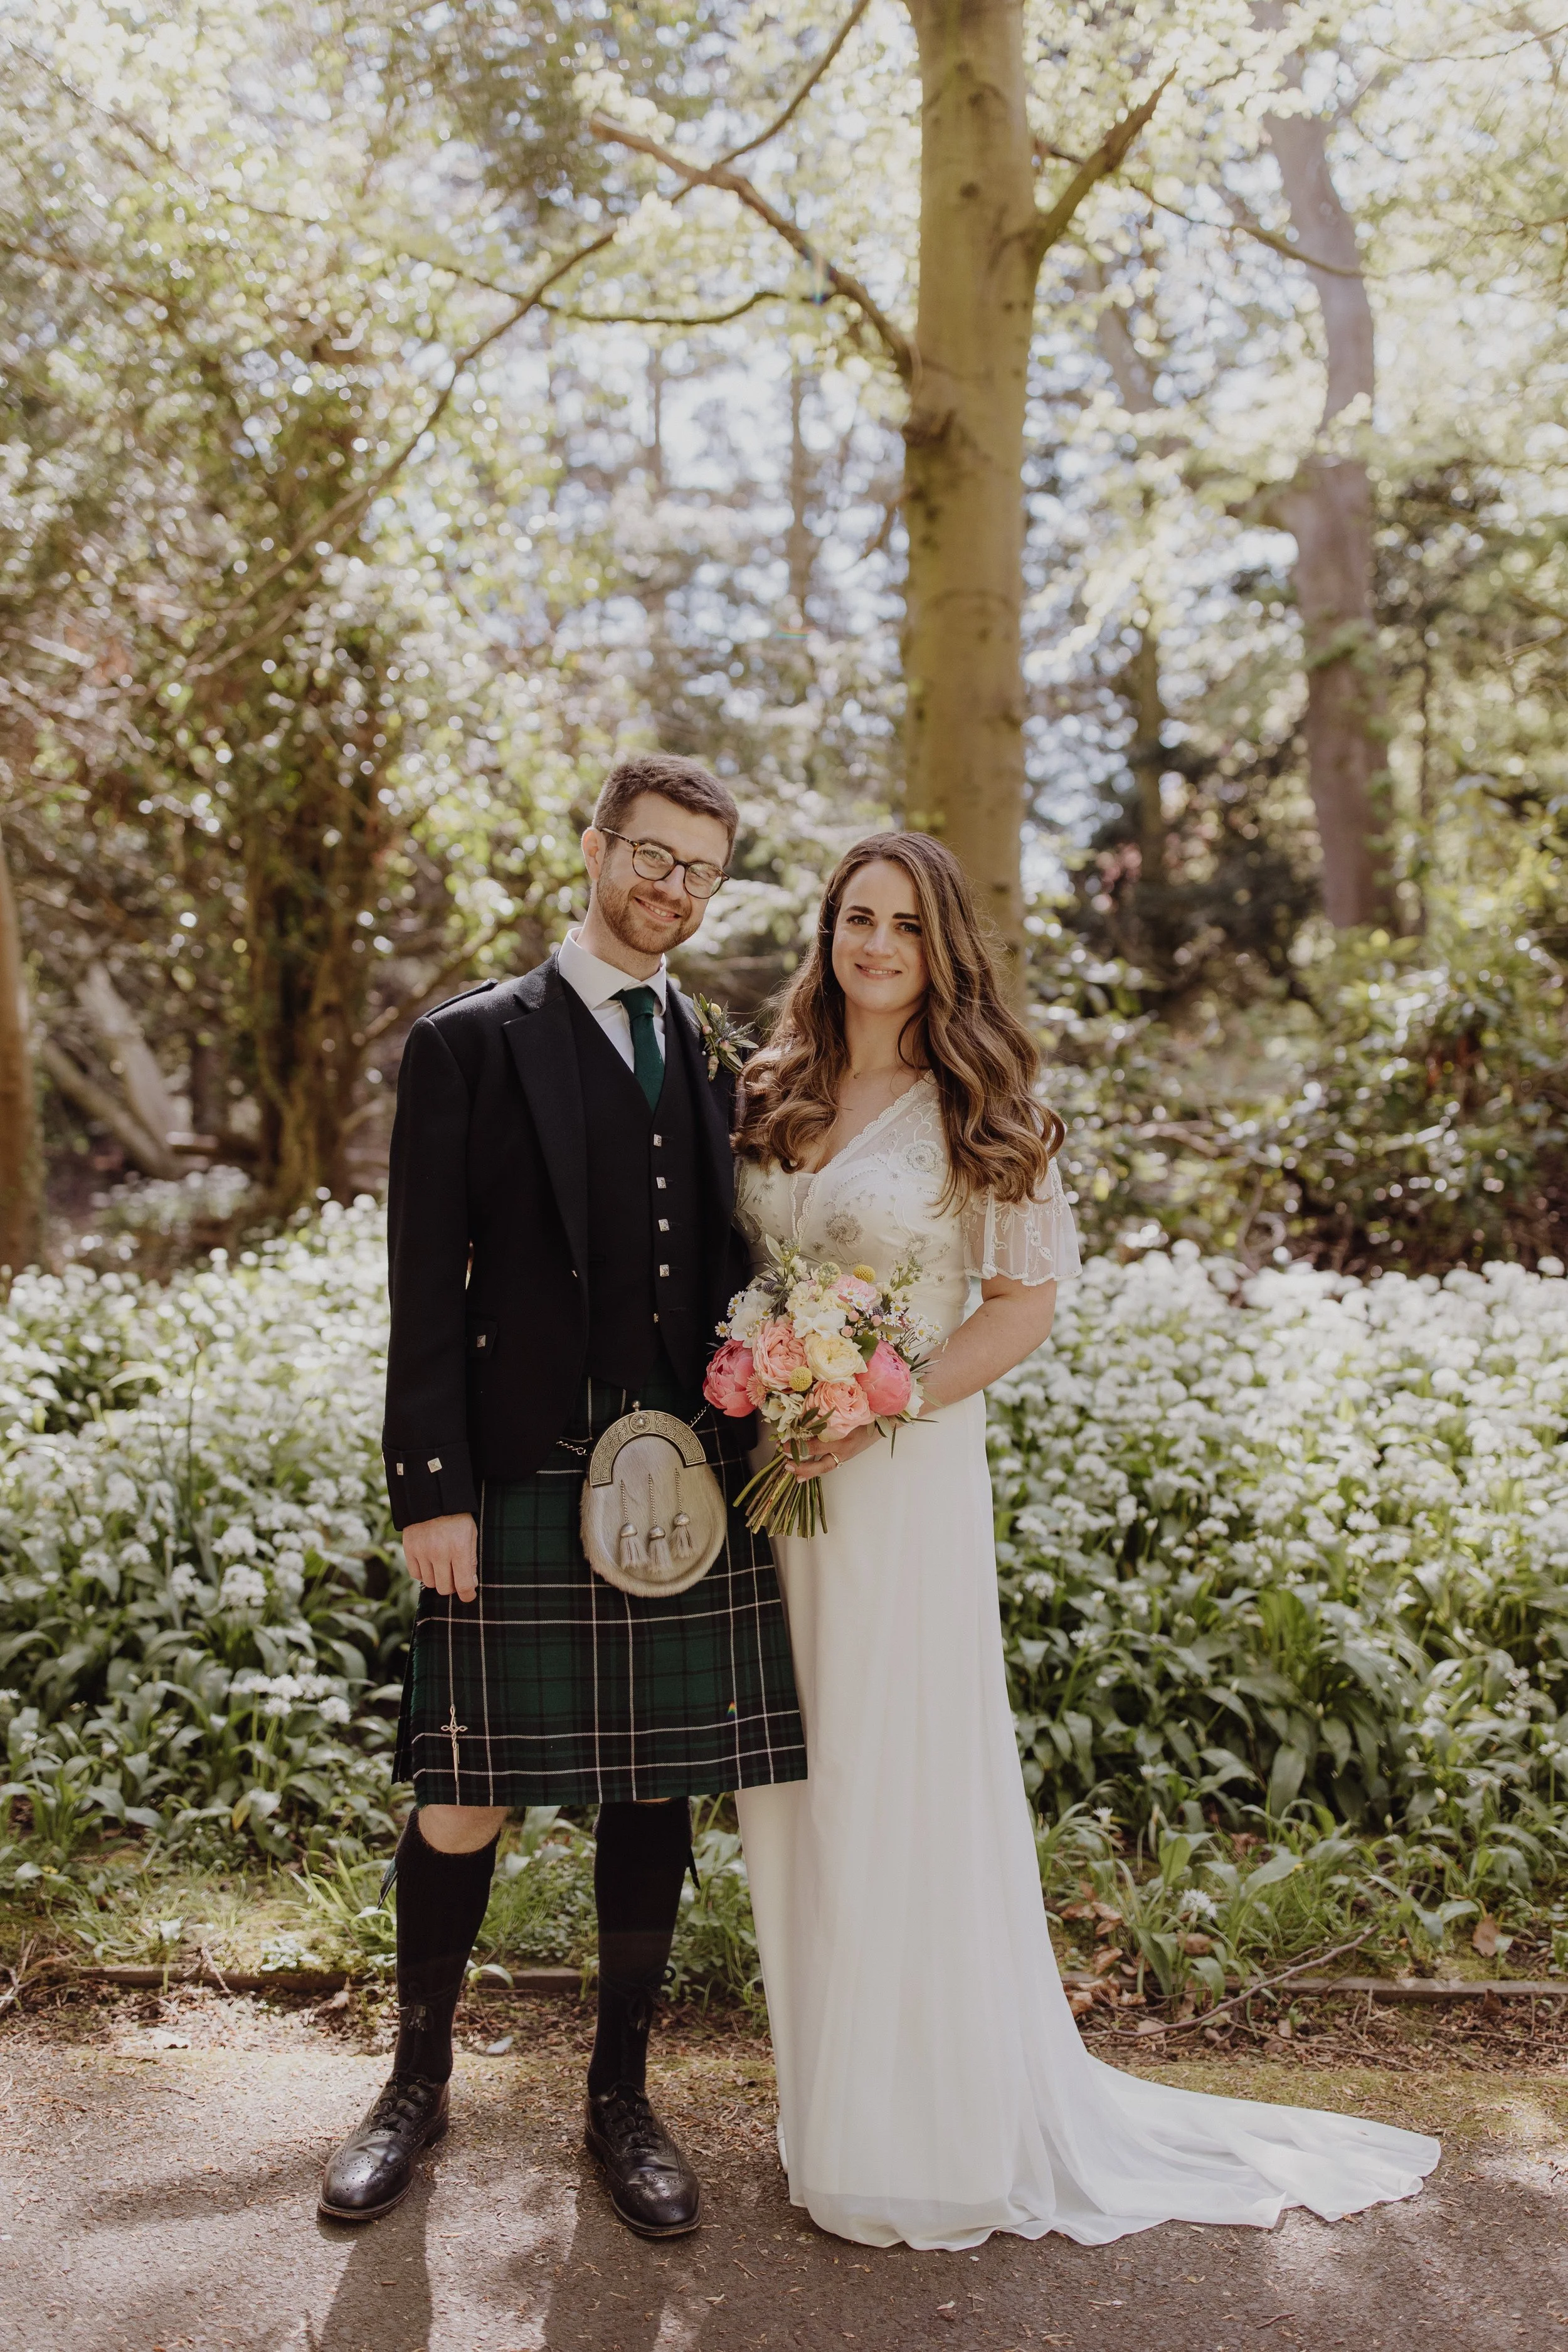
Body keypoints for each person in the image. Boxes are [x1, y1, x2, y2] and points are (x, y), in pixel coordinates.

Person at [731, 831, 1438, 2252]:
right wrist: (773, 1381)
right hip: (777, 1477)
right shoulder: (769, 1087)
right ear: (826, 933)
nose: (876, 945)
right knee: (791, 1790)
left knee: (889, 1778)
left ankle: (929, 2134)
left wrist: (877, 1403)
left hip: (899, 1477)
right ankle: (834, 2113)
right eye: (856, 918)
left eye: (905, 925)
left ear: (944, 947)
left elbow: (1021, 1311)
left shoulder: (986, 1110)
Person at [319, 754, 807, 2238]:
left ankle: (620, 2097)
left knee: (651, 1785)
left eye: (699, 869)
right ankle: (412, 2085)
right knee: (463, 1791)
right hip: (521, 1459)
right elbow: (423, 1283)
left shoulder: (715, 1053)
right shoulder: (471, 1041)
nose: (671, 888)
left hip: (683, 1468)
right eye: (650, 855)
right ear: (593, 850)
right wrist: (430, 1489)